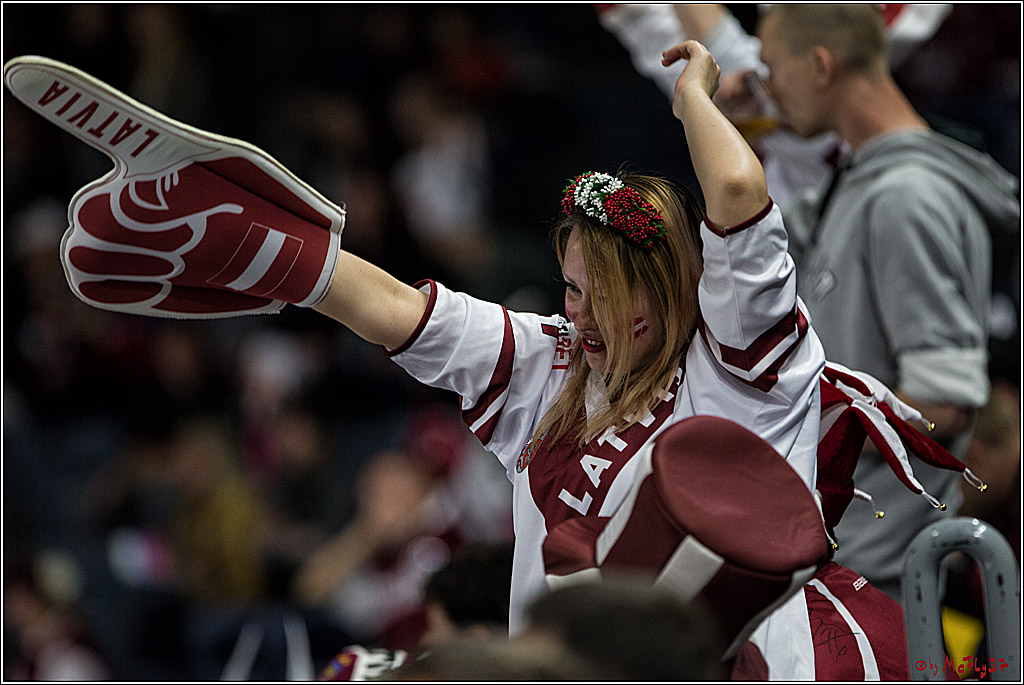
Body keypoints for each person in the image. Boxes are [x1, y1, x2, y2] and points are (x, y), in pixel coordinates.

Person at [4, 40, 965, 680]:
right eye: (569, 288)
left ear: (666, 296)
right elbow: (395, 310)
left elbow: (740, 187)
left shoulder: (750, 364)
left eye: (598, 296)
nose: (575, 314)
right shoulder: (550, 365)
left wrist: (690, 97)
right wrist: (260, 247)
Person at [755, 3, 1020, 601]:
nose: (766, 89)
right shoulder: (860, 181)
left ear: (820, 64)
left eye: (771, 68)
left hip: (875, 583)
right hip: (840, 565)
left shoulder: (905, 197)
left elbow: (944, 401)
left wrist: (795, 431)